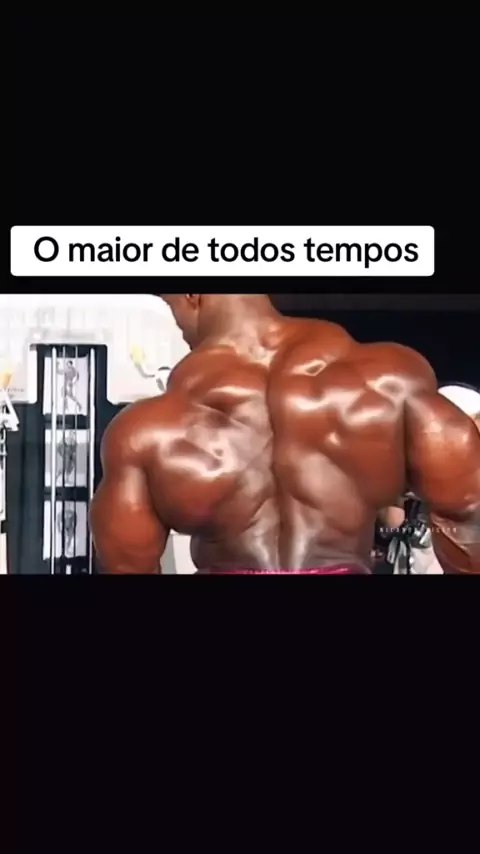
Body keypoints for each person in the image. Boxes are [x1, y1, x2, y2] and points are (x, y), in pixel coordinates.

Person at [89, 294, 480, 575]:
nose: (175, 324)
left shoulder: (143, 431)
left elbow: (126, 567)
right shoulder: (391, 384)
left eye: (169, 304)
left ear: (193, 294)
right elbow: (466, 512)